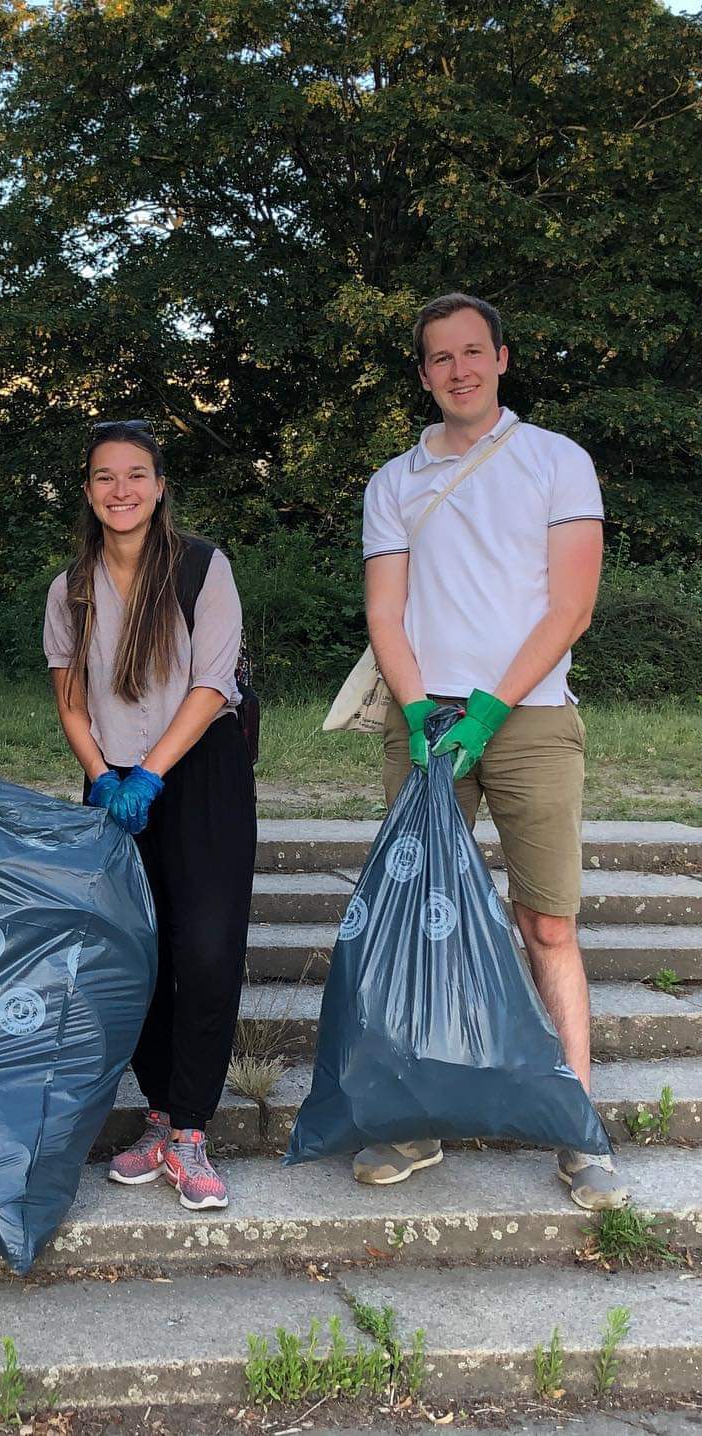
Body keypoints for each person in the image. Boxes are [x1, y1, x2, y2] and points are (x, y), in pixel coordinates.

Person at [359, 292, 623, 1210]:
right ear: (423, 373)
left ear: (502, 358)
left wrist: (487, 711)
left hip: (533, 720)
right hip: (425, 722)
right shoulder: (393, 482)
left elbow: (571, 608)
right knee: (420, 917)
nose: (459, 369)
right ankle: (418, 1114)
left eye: (473, 351)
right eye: (441, 357)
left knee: (548, 923)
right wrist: (421, 711)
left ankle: (576, 1124)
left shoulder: (557, 461)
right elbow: (386, 613)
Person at [44, 421, 256, 1211]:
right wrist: (104, 777)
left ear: (160, 486)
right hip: (113, 786)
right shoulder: (70, 588)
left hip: (198, 775)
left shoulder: (203, 568)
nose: (121, 490)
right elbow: (71, 701)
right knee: (134, 956)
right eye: (105, 476)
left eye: (136, 474)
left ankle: (193, 1132)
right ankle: (159, 1115)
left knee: (204, 950)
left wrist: (151, 775)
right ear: (88, 490)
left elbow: (212, 684)